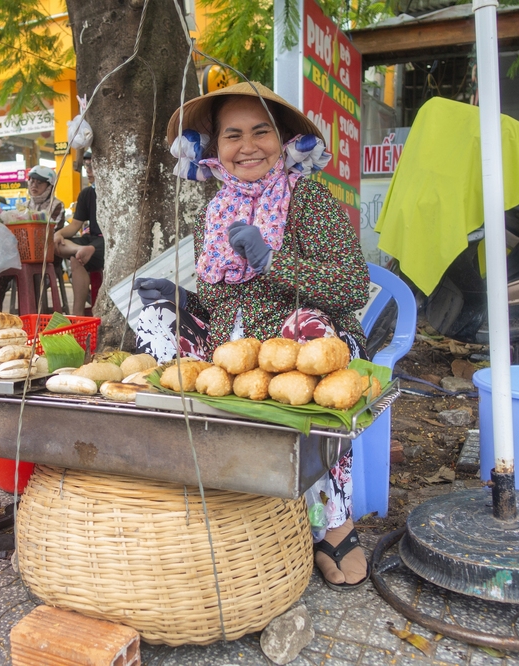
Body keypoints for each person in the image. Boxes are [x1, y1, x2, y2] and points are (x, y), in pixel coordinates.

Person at [133, 81, 372, 590]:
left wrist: (272, 260)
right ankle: (218, 494)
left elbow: (352, 286)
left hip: (302, 339)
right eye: (232, 135)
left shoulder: (306, 197)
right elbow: (223, 303)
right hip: (237, 341)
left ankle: (335, 522)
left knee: (311, 333)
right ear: (213, 148)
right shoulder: (215, 210)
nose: (247, 147)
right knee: (153, 329)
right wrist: (182, 301)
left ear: (284, 138)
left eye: (261, 132)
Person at [54, 152, 105, 315]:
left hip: (107, 241)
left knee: (78, 257)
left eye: (92, 166)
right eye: (86, 167)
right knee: (65, 250)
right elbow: (75, 225)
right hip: (90, 241)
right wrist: (58, 233)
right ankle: (78, 315)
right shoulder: (86, 194)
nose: (88, 171)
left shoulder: (112, 192)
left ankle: (77, 314)